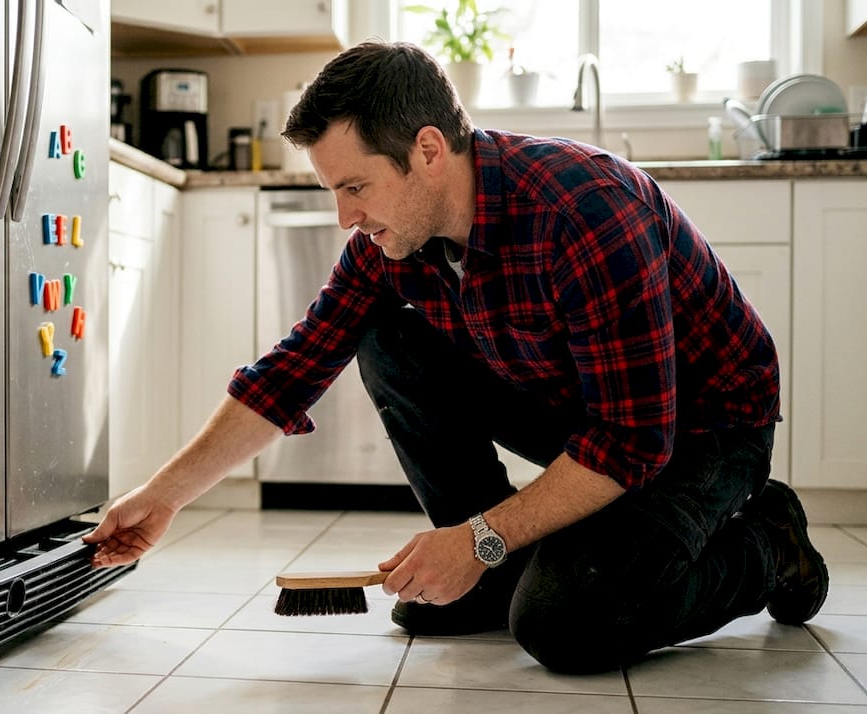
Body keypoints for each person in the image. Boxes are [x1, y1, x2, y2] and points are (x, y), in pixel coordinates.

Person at [84, 40, 829, 674]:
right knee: (386, 338)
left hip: (702, 428)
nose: (345, 216)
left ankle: (769, 539)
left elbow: (633, 438)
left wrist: (483, 537)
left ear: (428, 151)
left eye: (354, 187)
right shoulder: (391, 243)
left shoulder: (585, 210)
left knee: (563, 625)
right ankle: (486, 574)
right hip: (578, 409)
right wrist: (165, 495)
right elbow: (291, 371)